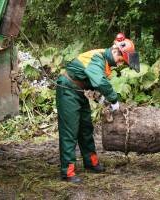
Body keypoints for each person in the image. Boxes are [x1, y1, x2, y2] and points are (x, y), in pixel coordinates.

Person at [56, 33, 139, 183]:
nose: (120, 63)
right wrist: (114, 100)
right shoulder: (98, 58)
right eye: (121, 59)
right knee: (70, 131)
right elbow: (99, 81)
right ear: (115, 51)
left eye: (124, 62)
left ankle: (91, 163)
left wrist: (102, 99)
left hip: (78, 91)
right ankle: (67, 172)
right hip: (67, 89)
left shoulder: (104, 62)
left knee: (86, 128)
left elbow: (94, 84)